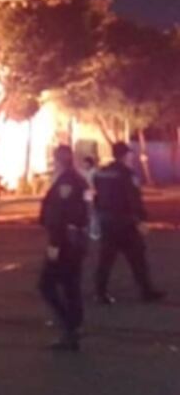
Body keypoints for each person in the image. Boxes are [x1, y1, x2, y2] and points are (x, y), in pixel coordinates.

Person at [93, 142, 165, 304]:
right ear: (125, 155)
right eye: (129, 154)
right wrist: (142, 219)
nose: (131, 157)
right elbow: (133, 199)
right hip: (125, 223)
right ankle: (146, 291)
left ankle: (100, 292)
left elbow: (97, 196)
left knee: (106, 259)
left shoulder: (102, 173)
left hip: (107, 221)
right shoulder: (127, 174)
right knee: (137, 257)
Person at [38, 145, 90, 351]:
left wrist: (54, 245)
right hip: (77, 241)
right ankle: (73, 329)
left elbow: (59, 217)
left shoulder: (66, 183)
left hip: (64, 243)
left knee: (46, 285)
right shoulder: (79, 180)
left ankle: (69, 325)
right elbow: (85, 211)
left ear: (57, 160)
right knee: (71, 286)